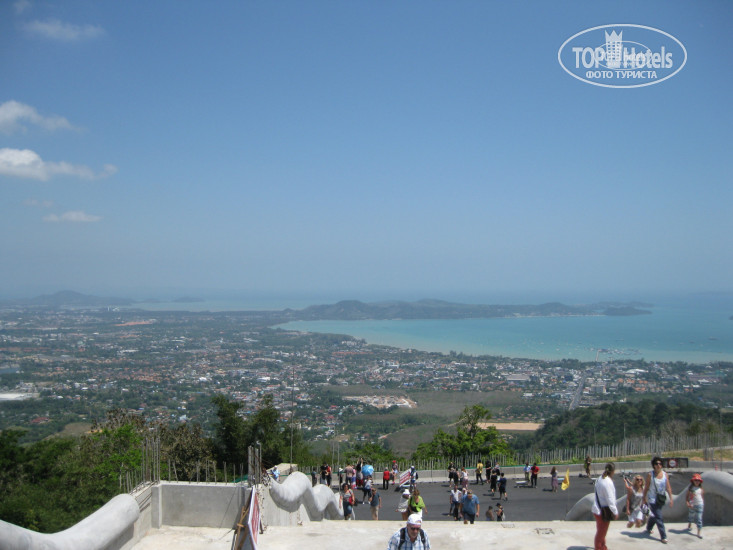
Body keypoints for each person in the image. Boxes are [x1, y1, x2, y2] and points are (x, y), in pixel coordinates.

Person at [643, 457, 673, 544]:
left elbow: (668, 487)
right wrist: (644, 498)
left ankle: (648, 527)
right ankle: (663, 536)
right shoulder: (650, 475)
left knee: (654, 515)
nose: (658, 465)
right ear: (654, 465)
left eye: (660, 463)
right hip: (652, 499)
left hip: (661, 498)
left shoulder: (665, 475)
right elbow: (646, 487)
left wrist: (671, 498)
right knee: (659, 517)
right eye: (656, 464)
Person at [592, 462, 618, 550]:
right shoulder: (607, 482)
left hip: (597, 509)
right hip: (603, 511)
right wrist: (615, 512)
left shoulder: (600, 478)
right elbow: (610, 499)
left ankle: (603, 547)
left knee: (601, 531)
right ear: (613, 471)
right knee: (601, 533)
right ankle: (599, 547)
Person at [686, 473, 704, 539]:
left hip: (700, 505)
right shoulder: (690, 489)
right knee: (691, 516)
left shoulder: (701, 489)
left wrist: (702, 503)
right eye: (695, 480)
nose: (697, 482)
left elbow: (702, 496)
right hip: (692, 505)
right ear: (693, 481)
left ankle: (699, 533)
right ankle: (690, 524)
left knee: (699, 519)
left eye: (698, 480)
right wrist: (687, 502)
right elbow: (687, 496)